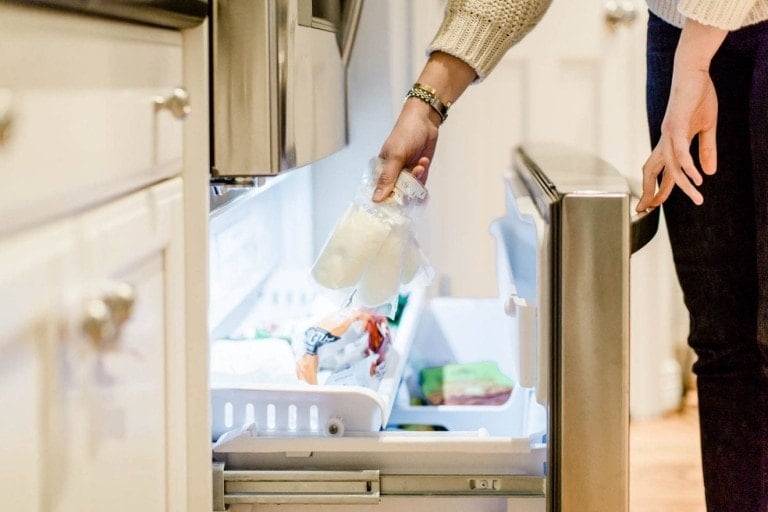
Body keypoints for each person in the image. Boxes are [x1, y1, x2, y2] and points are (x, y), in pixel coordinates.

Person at [372, 1, 768, 510]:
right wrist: (426, 102)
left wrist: (693, 63)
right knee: (725, 346)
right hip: (680, 29)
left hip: (705, 44)